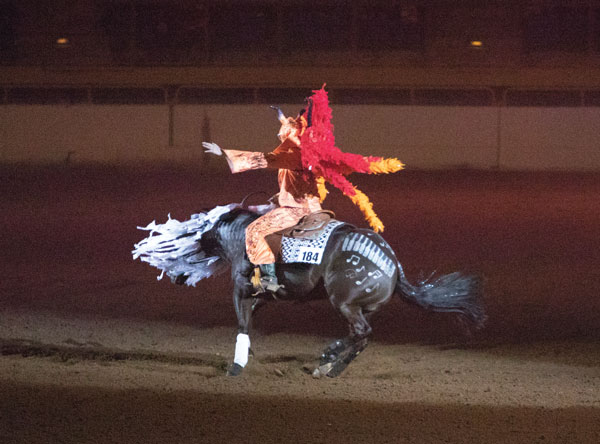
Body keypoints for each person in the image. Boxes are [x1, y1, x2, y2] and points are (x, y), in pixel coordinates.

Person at [203, 86, 404, 294]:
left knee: (255, 231)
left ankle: (268, 280)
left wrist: (223, 152)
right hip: (315, 209)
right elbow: (290, 139)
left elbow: (264, 159)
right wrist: (280, 116)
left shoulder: (293, 156)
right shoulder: (310, 154)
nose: (283, 130)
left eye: (289, 127)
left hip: (293, 211)